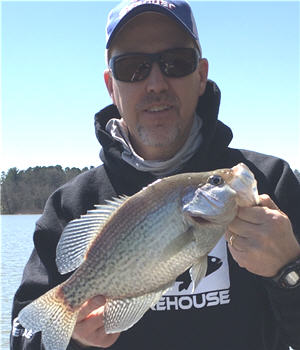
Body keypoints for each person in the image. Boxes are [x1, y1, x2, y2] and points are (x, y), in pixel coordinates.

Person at [10, 1, 300, 349]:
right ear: (110, 85)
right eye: (133, 67)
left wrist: (289, 272)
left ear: (201, 74)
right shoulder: (71, 205)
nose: (156, 83)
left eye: (176, 63)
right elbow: (24, 335)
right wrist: (75, 339)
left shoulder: (271, 183)